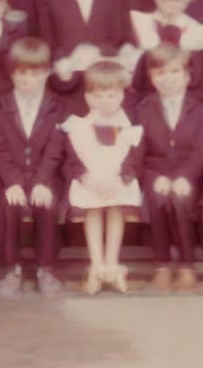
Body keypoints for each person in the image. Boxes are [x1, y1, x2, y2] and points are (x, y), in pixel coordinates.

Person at [0, 37, 68, 297]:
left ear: (46, 73)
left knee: (47, 202)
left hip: (44, 174)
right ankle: (11, 267)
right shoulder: (0, 104)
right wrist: (12, 181)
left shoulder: (57, 106)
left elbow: (55, 150)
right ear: (12, 73)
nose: (26, 80)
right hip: (8, 175)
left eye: (34, 74)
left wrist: (42, 181)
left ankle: (46, 267)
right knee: (4, 203)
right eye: (21, 73)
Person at [60, 60, 144, 295]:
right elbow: (72, 157)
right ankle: (96, 263)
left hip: (118, 181)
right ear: (87, 96)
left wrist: (122, 178)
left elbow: (135, 157)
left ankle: (111, 261)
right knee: (93, 211)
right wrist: (87, 178)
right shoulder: (78, 125)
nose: (104, 101)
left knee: (116, 209)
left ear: (121, 95)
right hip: (91, 180)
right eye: (97, 96)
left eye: (110, 95)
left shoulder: (130, 126)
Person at [135, 45, 203, 293]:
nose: (167, 79)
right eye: (159, 73)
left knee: (180, 198)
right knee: (158, 197)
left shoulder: (201, 109)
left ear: (187, 76)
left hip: (189, 173)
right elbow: (138, 151)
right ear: (151, 77)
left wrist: (185, 176)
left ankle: (187, 265)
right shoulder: (142, 109)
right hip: (154, 171)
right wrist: (153, 176)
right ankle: (162, 264)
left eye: (173, 72)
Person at [127, 0, 203, 96]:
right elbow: (133, 66)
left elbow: (196, 75)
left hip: (184, 93)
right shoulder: (142, 23)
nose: (173, 5)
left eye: (180, 1)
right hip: (144, 92)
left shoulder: (195, 30)